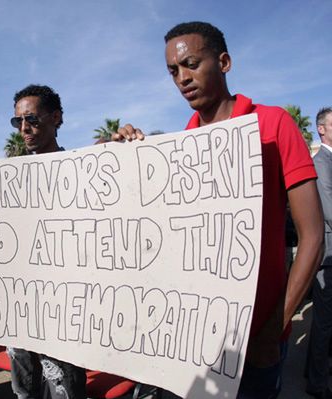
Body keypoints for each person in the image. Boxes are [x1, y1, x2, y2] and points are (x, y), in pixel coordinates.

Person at [113, 21, 323, 398]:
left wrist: (274, 327)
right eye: (173, 71)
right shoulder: (181, 146)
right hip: (196, 343)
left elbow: (312, 236)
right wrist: (126, 161)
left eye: (191, 64)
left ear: (223, 62)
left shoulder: (273, 123)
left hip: (258, 342)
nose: (182, 78)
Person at [0, 85, 87, 399]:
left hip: (59, 308)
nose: (24, 128)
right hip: (17, 306)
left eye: (32, 119)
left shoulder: (78, 172)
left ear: (56, 118)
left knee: (62, 387)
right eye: (17, 122)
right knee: (23, 388)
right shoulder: (3, 180)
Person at [305, 107, 332, 399]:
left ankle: (314, 370)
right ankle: (317, 382)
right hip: (328, 257)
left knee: (325, 322)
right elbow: (329, 211)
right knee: (324, 323)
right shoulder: (322, 162)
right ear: (321, 130)